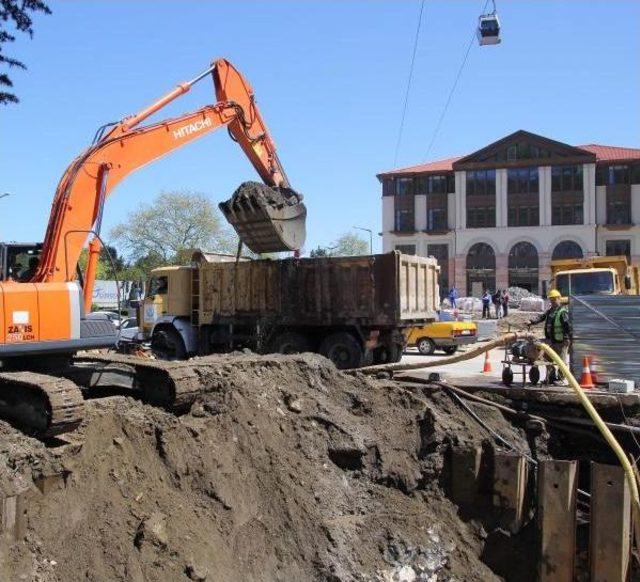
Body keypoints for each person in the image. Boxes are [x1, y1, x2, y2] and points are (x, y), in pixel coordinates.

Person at [529, 289, 572, 382]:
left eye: (554, 299)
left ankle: (560, 379)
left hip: (561, 341)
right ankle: (551, 377)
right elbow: (541, 317)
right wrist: (531, 322)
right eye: (551, 299)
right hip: (550, 340)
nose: (552, 301)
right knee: (549, 360)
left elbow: (567, 326)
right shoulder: (550, 311)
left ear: (559, 299)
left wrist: (567, 338)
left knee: (561, 361)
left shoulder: (562, 312)